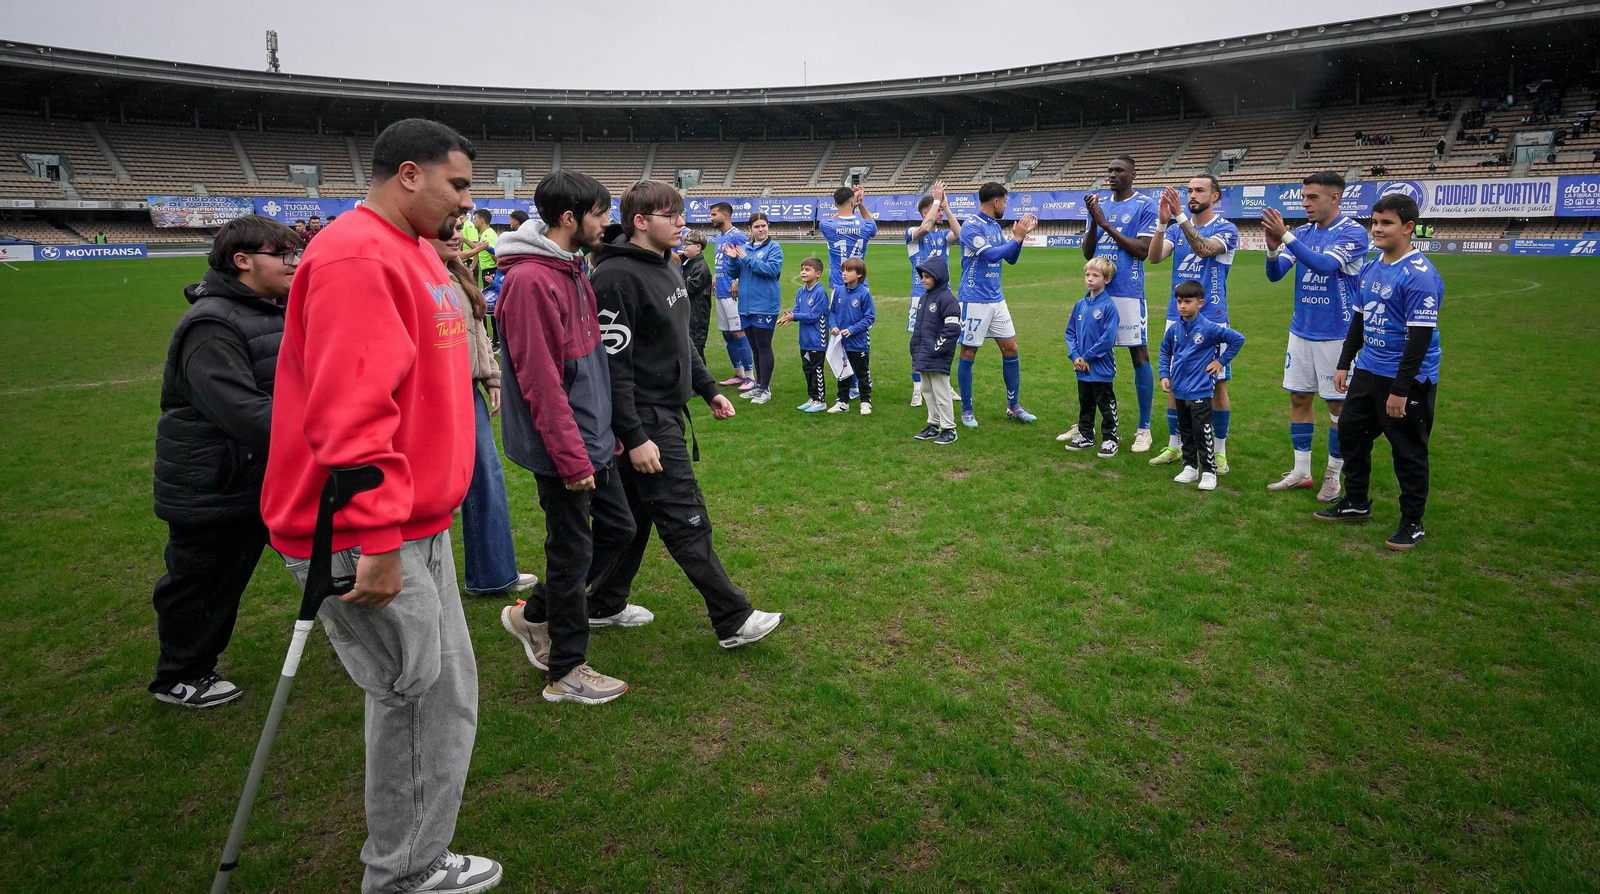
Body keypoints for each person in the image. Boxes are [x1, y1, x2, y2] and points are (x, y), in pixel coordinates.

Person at [259, 118, 502, 894]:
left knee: (443, 695)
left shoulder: (416, 248)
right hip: (366, 530)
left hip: (415, 521)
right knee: (415, 702)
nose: (466, 202)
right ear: (409, 174)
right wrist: (377, 537)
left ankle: (414, 857)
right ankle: (402, 873)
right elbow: (354, 413)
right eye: (458, 185)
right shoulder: (357, 256)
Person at [588, 179, 784, 649]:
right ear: (640, 221)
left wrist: (708, 389)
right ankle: (733, 618)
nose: (682, 223)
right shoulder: (614, 278)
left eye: (681, 213)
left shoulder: (669, 264)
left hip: (665, 411)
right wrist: (634, 435)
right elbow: (612, 369)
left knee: (630, 519)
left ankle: (603, 603)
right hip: (645, 419)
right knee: (684, 513)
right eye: (671, 215)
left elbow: (679, 341)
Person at [495, 170, 643, 705]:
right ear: (568, 218)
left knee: (619, 528)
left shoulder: (572, 265)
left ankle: (533, 614)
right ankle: (566, 669)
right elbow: (541, 380)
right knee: (570, 554)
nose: (608, 223)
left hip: (590, 436)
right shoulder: (531, 281)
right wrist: (572, 456)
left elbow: (590, 363)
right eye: (600, 214)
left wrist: (605, 430)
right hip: (563, 448)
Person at [149, 214, 300, 708]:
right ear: (242, 261)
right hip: (215, 481)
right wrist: (322, 433)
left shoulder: (273, 309)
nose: (292, 263)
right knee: (203, 584)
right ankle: (180, 677)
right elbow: (242, 410)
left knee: (330, 559)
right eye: (282, 255)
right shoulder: (210, 325)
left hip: (263, 471)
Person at [1315, 193, 1443, 551]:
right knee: (1351, 434)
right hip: (1368, 371)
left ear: (1408, 227)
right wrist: (1345, 363)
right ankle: (1356, 501)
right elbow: (1358, 320)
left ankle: (1412, 523)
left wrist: (1401, 390)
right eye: (1374, 222)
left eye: (1386, 223)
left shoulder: (1420, 276)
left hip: (1406, 378)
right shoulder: (1372, 267)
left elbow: (1419, 340)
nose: (1377, 229)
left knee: (1408, 452)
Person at [426, 217, 537, 599]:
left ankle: (494, 574)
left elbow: (477, 333)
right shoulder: (419, 276)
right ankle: (421, 583)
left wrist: (491, 376)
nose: (458, 237)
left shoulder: (457, 274)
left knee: (486, 480)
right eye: (447, 230)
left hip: (467, 391)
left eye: (460, 229)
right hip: (433, 396)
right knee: (434, 491)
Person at [1262, 170, 1372, 502]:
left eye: (1312, 197)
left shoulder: (1352, 232)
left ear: (1334, 198)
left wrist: (1285, 236)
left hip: (1337, 335)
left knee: (1337, 405)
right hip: (1301, 330)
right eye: (1303, 197)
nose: (1305, 203)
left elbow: (1325, 265)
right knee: (1299, 398)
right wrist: (1273, 249)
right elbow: (1275, 275)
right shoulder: (1303, 233)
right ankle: (1301, 472)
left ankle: (1333, 476)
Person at [1144, 175, 1241, 472]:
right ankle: (1175, 446)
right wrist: (1163, 224)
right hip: (1177, 319)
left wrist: (1180, 216)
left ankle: (1219, 452)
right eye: (1189, 191)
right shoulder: (1175, 229)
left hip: (1212, 320)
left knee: (1218, 385)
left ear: (1215, 196)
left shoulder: (1226, 229)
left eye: (1200, 190)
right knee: (1174, 383)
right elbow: (1154, 258)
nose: (1193, 195)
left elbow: (1204, 249)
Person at [1082, 156, 1159, 451]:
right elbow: (1088, 251)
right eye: (1110, 170)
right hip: (1098, 294)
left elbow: (1142, 250)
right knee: (1091, 356)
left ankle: (1144, 429)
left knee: (1139, 355)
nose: (1112, 174)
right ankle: (1086, 424)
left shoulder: (1145, 205)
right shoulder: (1100, 205)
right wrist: (1094, 221)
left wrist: (1105, 223)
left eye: (1119, 170)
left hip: (1128, 292)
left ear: (1133, 174)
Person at [957, 181, 1040, 428]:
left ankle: (1014, 406)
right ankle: (967, 410)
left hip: (996, 299)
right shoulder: (971, 226)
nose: (1005, 205)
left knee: (1011, 348)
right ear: (995, 202)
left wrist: (1019, 240)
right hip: (974, 299)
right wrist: (1016, 237)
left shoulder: (993, 226)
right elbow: (991, 255)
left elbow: (1010, 259)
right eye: (1004, 201)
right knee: (968, 353)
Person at [1158, 280, 1246, 492]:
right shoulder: (1174, 329)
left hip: (1201, 389)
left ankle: (1209, 471)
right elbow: (1165, 351)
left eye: (1187, 301)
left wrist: (1220, 362)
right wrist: (1164, 375)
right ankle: (1190, 467)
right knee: (1186, 430)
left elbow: (1238, 339)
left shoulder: (1209, 328)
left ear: (1200, 303)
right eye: (1179, 301)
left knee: (1202, 430)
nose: (1182, 306)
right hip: (1179, 389)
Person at [905, 181, 962, 407]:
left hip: (944, 297)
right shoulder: (912, 233)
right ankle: (917, 388)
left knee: (944, 340)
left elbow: (959, 235)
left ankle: (944, 385)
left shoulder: (944, 236)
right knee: (919, 342)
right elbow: (925, 228)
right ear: (925, 212)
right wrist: (936, 200)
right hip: (920, 296)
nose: (940, 214)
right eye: (937, 211)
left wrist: (945, 206)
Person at [1062, 256, 1121, 458]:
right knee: (1085, 403)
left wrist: (1088, 357)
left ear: (1107, 279)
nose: (1089, 278)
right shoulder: (1080, 305)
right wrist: (1075, 356)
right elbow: (1070, 332)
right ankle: (1086, 435)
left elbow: (1108, 338)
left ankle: (1110, 439)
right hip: (1081, 366)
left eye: (1095, 275)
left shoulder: (1109, 306)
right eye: (1087, 274)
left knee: (1105, 403)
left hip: (1101, 367)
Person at [725, 211, 784, 404]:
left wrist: (745, 258)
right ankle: (758, 386)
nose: (761, 229)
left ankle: (765, 389)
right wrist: (734, 259)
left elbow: (772, 270)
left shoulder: (774, 248)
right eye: (757, 226)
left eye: (763, 226)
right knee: (755, 348)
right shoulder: (744, 248)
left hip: (765, 305)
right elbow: (734, 272)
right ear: (750, 229)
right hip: (746, 305)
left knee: (764, 347)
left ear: (768, 226)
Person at [909, 255, 961, 444]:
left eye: (927, 277)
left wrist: (937, 348)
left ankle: (949, 428)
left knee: (941, 392)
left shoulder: (947, 300)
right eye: (922, 276)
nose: (923, 280)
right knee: (926, 390)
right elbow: (920, 328)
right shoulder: (924, 299)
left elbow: (952, 329)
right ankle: (934, 424)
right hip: (924, 354)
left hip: (938, 355)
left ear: (938, 276)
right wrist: (915, 348)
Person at [708, 201, 753, 388]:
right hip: (721, 291)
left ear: (725, 216)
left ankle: (750, 376)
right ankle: (739, 373)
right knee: (727, 334)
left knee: (738, 332)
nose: (711, 218)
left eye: (714, 214)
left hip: (733, 293)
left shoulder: (737, 235)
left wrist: (738, 281)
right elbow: (722, 262)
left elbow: (747, 260)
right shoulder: (720, 237)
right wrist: (715, 276)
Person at [777, 256, 830, 413]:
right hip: (805, 339)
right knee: (807, 369)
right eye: (802, 269)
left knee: (816, 369)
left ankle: (820, 400)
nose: (803, 272)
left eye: (807, 270)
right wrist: (788, 316)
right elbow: (797, 311)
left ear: (818, 273)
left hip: (817, 339)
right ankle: (812, 397)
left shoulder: (820, 293)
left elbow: (814, 316)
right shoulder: (800, 291)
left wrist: (795, 316)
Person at [827, 257, 876, 414]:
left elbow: (869, 317)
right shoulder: (838, 291)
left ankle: (865, 401)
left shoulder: (864, 293)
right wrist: (834, 326)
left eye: (849, 270)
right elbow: (832, 311)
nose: (844, 273)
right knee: (843, 372)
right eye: (843, 270)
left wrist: (853, 329)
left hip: (858, 342)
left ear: (859, 274)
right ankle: (843, 402)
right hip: (841, 342)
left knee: (861, 372)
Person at [819, 183, 878, 291]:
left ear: (835, 204)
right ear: (852, 202)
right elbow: (872, 225)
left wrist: (852, 202)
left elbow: (832, 220)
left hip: (838, 285)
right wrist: (860, 203)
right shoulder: (866, 225)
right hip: (861, 286)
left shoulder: (827, 225)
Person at [680, 230, 712, 363]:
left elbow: (691, 287)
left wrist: (675, 280)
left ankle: (700, 375)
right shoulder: (691, 263)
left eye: (687, 244)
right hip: (692, 313)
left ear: (698, 247)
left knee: (696, 349)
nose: (684, 247)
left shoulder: (700, 267)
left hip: (697, 315)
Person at [466, 207, 498, 288]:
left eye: (475, 219)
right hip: (486, 270)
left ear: (482, 220)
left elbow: (494, 254)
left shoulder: (488, 235)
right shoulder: (485, 233)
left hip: (491, 271)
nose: (473, 221)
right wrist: (472, 268)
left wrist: (498, 270)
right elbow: (478, 250)